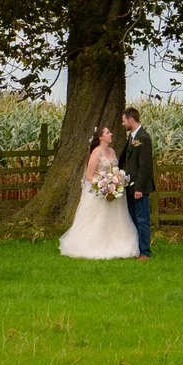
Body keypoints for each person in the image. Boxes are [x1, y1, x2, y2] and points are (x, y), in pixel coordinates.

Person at [57, 123, 140, 259]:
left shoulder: (112, 152)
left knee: (115, 220)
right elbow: (89, 176)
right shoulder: (96, 153)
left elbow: (115, 170)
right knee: (97, 221)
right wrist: (103, 187)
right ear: (101, 137)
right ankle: (91, 245)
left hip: (114, 192)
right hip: (100, 192)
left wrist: (116, 181)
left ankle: (116, 244)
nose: (111, 134)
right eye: (108, 133)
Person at [120, 105, 155, 259]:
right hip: (130, 186)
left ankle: (145, 252)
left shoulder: (144, 138)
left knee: (142, 220)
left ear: (131, 120)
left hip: (139, 187)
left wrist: (139, 188)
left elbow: (145, 166)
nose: (123, 124)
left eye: (124, 121)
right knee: (133, 218)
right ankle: (136, 249)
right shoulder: (132, 137)